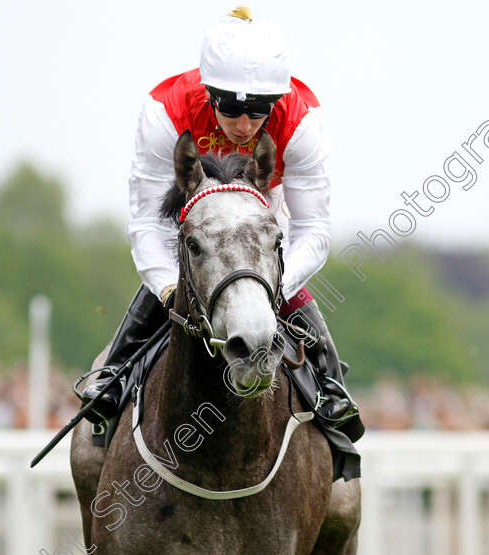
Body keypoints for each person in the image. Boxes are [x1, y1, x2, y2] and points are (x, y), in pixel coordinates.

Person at [82, 7, 360, 437]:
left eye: (259, 111)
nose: (245, 125)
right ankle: (111, 381)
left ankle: (331, 393)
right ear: (210, 93)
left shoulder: (302, 121)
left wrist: (265, 288)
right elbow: (148, 225)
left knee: (265, 257)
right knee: (190, 266)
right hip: (198, 228)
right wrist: (169, 287)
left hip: (263, 216)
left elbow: (313, 231)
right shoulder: (165, 112)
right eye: (230, 109)